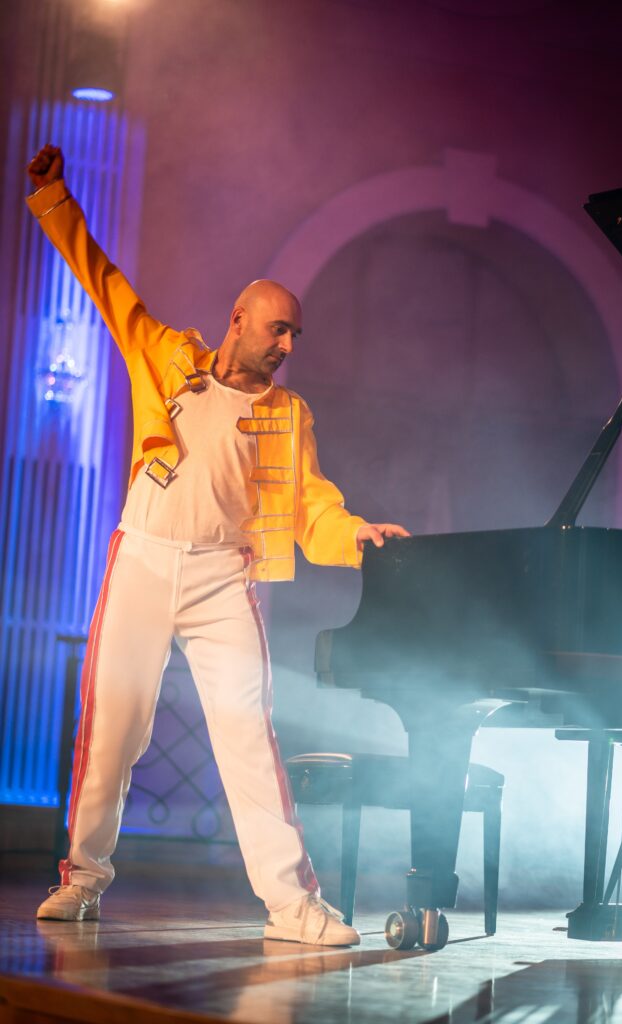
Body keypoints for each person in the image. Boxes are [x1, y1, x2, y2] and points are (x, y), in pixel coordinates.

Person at [26, 144, 409, 945]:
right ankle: (83, 879)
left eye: (295, 334)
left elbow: (311, 507)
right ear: (239, 320)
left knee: (247, 739)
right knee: (111, 728)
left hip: (224, 580)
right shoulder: (168, 357)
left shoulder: (287, 414)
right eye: (278, 329)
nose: (287, 345)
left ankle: (291, 905)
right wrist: (55, 199)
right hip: (142, 558)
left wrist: (356, 534)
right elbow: (104, 283)